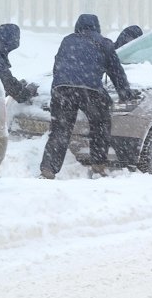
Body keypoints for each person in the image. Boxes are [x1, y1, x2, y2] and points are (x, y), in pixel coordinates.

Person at [39, 14, 138, 179]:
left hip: (62, 89)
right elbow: (116, 72)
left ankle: (48, 168)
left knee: (60, 130)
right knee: (100, 126)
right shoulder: (104, 43)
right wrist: (125, 93)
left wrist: (58, 91)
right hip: (90, 90)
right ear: (97, 27)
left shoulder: (67, 40)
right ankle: (98, 166)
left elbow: (58, 66)